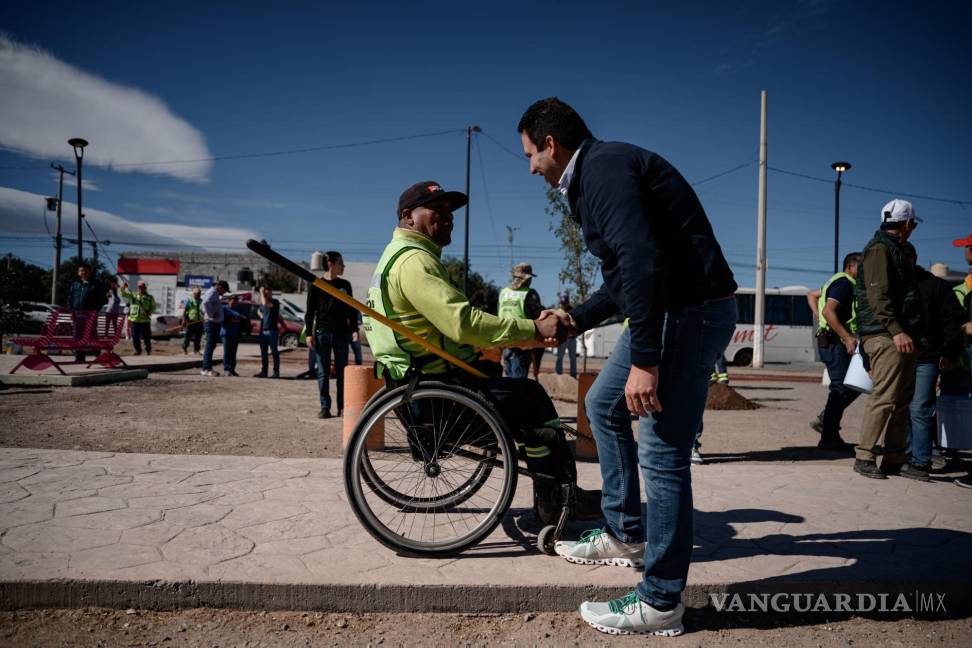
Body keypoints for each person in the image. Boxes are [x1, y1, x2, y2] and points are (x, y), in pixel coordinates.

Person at [518, 97, 737, 636]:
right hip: (670, 311)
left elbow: (641, 261)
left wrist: (645, 361)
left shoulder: (604, 168)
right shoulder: (595, 177)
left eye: (530, 155)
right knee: (602, 404)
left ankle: (661, 599)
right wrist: (575, 316)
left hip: (690, 315)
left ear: (551, 144)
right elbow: (623, 275)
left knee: (662, 451)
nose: (530, 168)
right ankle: (624, 532)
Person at [363, 179, 600, 525]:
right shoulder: (416, 263)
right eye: (438, 210)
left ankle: (554, 493)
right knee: (532, 398)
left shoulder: (393, 258)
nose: (448, 217)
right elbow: (462, 323)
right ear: (407, 217)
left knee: (509, 387)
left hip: (416, 384)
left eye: (450, 211)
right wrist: (533, 329)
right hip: (438, 398)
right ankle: (557, 501)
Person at [853, 199, 925, 480]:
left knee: (902, 399)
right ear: (907, 223)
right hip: (885, 334)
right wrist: (897, 330)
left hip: (900, 334)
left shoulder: (897, 249)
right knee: (884, 397)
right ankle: (865, 456)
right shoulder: (879, 250)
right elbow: (877, 296)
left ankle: (894, 458)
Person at [902, 243, 965, 481]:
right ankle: (906, 456)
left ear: (914, 258)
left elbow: (952, 321)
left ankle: (919, 461)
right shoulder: (893, 285)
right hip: (899, 358)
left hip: (926, 357)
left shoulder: (935, 286)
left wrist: (949, 353)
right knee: (903, 408)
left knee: (919, 408)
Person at [805, 252, 862, 451]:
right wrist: (846, 336)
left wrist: (817, 314)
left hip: (831, 341)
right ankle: (828, 434)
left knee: (852, 386)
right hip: (836, 343)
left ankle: (828, 427)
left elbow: (812, 295)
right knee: (841, 388)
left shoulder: (837, 282)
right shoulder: (844, 284)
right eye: (860, 267)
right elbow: (828, 311)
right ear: (850, 266)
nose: (864, 272)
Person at [305, 251, 358, 417]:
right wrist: (308, 333)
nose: (344, 266)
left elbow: (352, 309)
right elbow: (310, 311)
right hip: (322, 333)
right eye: (341, 263)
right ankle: (325, 407)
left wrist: (354, 329)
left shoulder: (345, 285)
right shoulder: (316, 284)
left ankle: (342, 407)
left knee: (342, 372)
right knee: (322, 372)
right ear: (331, 264)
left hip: (342, 334)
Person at [943, 234, 972, 489]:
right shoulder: (960, 289)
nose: (965, 252)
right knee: (954, 408)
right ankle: (953, 454)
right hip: (960, 360)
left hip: (961, 359)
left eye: (968, 248)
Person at [498, 264, 543, 378]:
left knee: (509, 379)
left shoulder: (503, 293)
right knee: (519, 382)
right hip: (522, 343)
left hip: (505, 341)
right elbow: (538, 316)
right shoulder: (529, 294)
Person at [64, 263, 106, 362]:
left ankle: (97, 356)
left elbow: (102, 299)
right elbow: (70, 298)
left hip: (90, 314)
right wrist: (71, 312)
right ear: (78, 273)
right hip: (77, 313)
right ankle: (79, 358)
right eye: (81, 270)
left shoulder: (95, 284)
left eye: (86, 270)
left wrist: (95, 310)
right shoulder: (75, 284)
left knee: (92, 335)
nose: (84, 272)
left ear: (89, 272)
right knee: (78, 336)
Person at [200, 280, 229, 377]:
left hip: (213, 323)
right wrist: (211, 313)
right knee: (210, 345)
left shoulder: (214, 293)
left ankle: (207, 367)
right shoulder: (212, 292)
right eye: (224, 290)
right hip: (211, 323)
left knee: (211, 345)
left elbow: (205, 304)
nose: (224, 293)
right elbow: (205, 303)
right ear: (220, 287)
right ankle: (206, 368)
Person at [119, 280, 156, 356]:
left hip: (145, 321)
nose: (140, 288)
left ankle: (148, 349)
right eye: (139, 287)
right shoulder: (133, 295)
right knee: (135, 337)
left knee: (147, 338)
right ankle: (137, 350)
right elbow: (123, 294)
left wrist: (149, 312)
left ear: (145, 287)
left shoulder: (149, 297)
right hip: (135, 320)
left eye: (142, 287)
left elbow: (153, 307)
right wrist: (123, 287)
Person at [254, 286, 281, 379]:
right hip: (263, 331)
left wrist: (261, 292)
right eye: (266, 292)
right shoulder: (263, 303)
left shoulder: (275, 302)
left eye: (268, 292)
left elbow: (265, 304)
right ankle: (264, 371)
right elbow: (259, 310)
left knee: (274, 352)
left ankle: (276, 372)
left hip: (272, 331)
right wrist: (260, 314)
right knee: (263, 353)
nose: (267, 293)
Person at [220, 295, 247, 376]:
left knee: (233, 353)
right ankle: (226, 369)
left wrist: (235, 320)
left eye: (236, 301)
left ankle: (232, 369)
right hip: (226, 333)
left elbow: (243, 319)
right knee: (227, 352)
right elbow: (225, 319)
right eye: (233, 301)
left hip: (235, 334)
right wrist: (235, 319)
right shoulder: (224, 308)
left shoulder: (239, 309)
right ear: (229, 301)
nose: (235, 303)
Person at [554, 293, 578, 378]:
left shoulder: (573, 310)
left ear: (568, 302)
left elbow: (576, 324)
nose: (563, 305)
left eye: (564, 303)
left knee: (573, 358)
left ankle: (573, 374)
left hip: (571, 338)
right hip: (562, 338)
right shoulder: (558, 311)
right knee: (560, 356)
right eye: (562, 303)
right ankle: (558, 373)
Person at [181, 288, 205, 355]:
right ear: (194, 294)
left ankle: (196, 350)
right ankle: (184, 348)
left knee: (198, 337)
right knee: (188, 336)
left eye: (199, 293)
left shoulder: (202, 301)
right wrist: (184, 320)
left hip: (199, 321)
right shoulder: (190, 301)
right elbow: (185, 311)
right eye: (197, 293)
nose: (199, 295)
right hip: (191, 321)